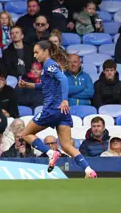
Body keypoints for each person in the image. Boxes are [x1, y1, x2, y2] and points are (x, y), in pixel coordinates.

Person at [17, 41, 97, 178]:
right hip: (63, 112)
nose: (35, 56)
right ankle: (88, 170)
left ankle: (50, 153)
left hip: (52, 108)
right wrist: (28, 85)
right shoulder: (50, 66)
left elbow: (64, 80)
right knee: (66, 145)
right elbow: (47, 86)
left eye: (37, 52)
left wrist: (65, 99)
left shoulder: (49, 64)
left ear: (46, 51)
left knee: (25, 134)